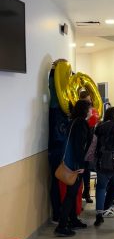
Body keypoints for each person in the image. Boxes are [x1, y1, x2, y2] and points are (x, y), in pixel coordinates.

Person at [54, 100, 92, 237]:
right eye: (90, 108)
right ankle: (62, 226)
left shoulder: (74, 121)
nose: (92, 110)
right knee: (71, 195)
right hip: (75, 165)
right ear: (85, 110)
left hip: (70, 163)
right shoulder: (81, 123)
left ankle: (73, 220)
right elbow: (78, 146)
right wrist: (81, 165)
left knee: (72, 193)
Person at [48, 62, 70, 223]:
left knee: (62, 183)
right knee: (57, 182)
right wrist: (54, 71)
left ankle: (63, 212)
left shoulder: (62, 108)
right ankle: (58, 214)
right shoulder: (57, 109)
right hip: (57, 150)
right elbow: (54, 90)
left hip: (60, 149)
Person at [79, 90, 98, 203]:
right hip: (82, 142)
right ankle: (81, 193)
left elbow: (94, 124)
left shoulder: (93, 110)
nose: (89, 102)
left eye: (89, 99)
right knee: (81, 170)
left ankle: (87, 192)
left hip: (91, 142)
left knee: (87, 169)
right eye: (86, 100)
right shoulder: (79, 113)